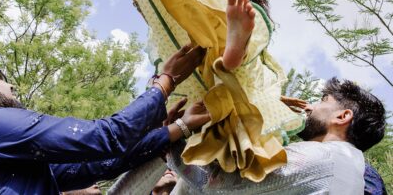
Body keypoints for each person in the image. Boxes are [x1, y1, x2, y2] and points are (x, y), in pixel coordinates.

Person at [96, 0, 304, 181]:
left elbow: (263, 67)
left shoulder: (253, 17)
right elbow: (167, 22)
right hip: (204, 67)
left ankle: (232, 50)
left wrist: (273, 97)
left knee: (235, 57)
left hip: (242, 76)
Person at [0, 45, 211, 194]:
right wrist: (165, 82)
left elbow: (101, 164)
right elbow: (104, 136)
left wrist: (180, 127)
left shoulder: (8, 159)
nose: (10, 85)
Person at [106, 77, 386, 194]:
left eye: (323, 100)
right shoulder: (349, 166)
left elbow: (220, 183)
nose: (311, 106)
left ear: (343, 116)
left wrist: (177, 133)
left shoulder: (328, 158)